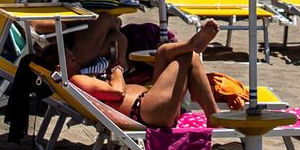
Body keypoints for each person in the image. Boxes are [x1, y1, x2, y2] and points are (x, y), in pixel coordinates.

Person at [50, 19, 222, 127]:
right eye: (69, 57)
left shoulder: (79, 78)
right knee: (189, 58)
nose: (74, 55)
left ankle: (191, 44)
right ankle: (213, 116)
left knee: (162, 52)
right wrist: (116, 67)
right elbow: (117, 92)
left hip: (151, 103)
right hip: (148, 110)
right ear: (59, 68)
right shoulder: (75, 79)